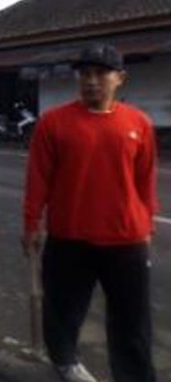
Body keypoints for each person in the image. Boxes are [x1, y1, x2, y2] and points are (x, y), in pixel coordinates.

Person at [23, 44, 157, 382]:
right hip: (69, 238)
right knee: (63, 310)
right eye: (85, 74)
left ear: (120, 79)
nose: (92, 81)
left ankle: (135, 375)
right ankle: (65, 361)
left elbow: (145, 182)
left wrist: (146, 229)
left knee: (132, 320)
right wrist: (31, 225)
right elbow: (38, 180)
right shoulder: (54, 123)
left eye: (101, 73)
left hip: (125, 240)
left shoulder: (138, 124)